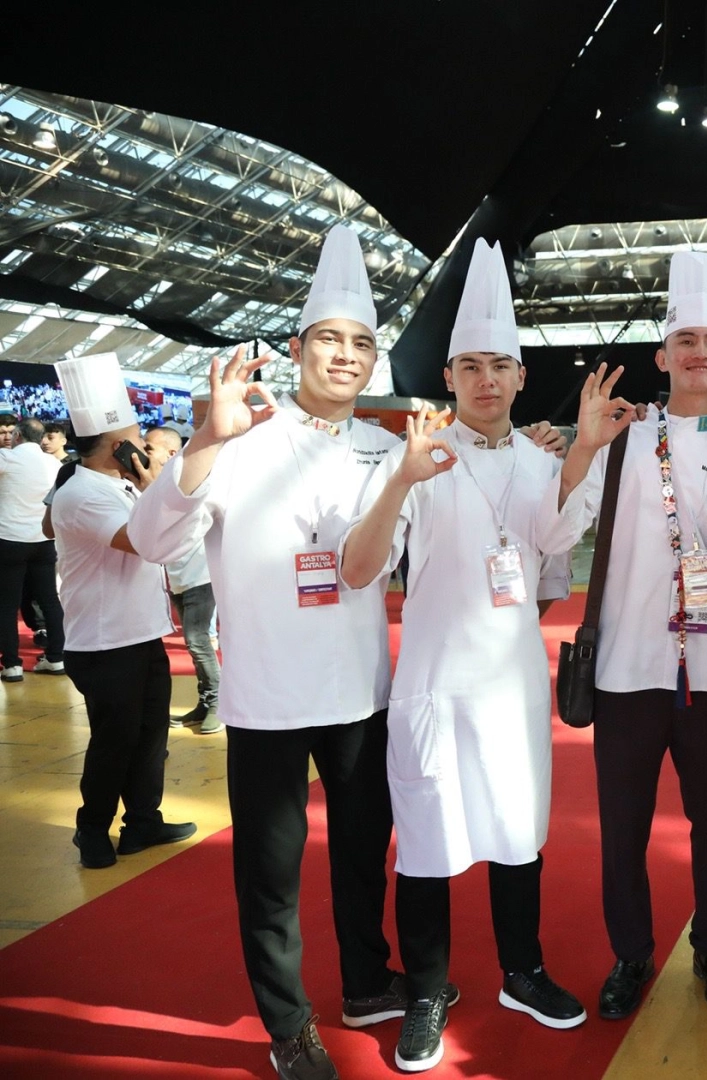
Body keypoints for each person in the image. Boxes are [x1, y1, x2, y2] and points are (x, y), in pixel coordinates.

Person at [127, 226, 413, 1080]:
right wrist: (204, 442)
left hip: (360, 690)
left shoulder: (388, 451)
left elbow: (367, 568)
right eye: (329, 339)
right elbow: (150, 540)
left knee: (363, 854)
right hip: (267, 697)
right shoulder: (241, 438)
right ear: (295, 349)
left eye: (361, 343)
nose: (345, 355)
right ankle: (287, 1023)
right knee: (270, 872)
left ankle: (366, 982)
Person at [340, 239, 617, 1072]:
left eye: (500, 365)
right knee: (428, 839)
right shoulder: (419, 459)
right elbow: (361, 569)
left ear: (521, 377)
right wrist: (400, 481)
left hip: (513, 686)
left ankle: (521, 971)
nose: (486, 380)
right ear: (449, 378)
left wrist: (583, 450)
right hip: (433, 683)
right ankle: (427, 989)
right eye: (471, 366)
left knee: (516, 831)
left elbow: (554, 546)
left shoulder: (543, 460)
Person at [586, 251, 707, 1022]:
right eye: (685, 341)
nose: (699, 353)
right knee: (623, 829)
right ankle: (631, 954)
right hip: (625, 673)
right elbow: (564, 518)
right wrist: (577, 443)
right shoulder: (621, 443)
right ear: (663, 358)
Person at [50, 354, 196, 869]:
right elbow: (144, 542)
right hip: (104, 644)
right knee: (115, 741)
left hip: (141, 634)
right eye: (136, 437)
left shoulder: (117, 486)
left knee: (151, 737)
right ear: (118, 446)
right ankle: (92, 828)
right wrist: (158, 488)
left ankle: (143, 822)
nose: (143, 446)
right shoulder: (83, 494)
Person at [143, 425, 221, 734]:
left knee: (198, 641)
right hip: (178, 574)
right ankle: (206, 702)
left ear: (172, 453)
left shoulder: (189, 477)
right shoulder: (159, 481)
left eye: (149, 449)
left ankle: (217, 703)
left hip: (201, 573)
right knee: (195, 644)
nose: (143, 454)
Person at [0, 416, 67, 681]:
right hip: (43, 540)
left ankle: (12, 665)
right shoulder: (53, 463)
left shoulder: (6, 458)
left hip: (9, 539)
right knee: (50, 600)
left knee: (7, 605)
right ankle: (56, 658)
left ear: (17, 436)